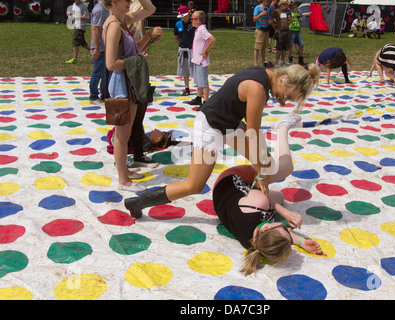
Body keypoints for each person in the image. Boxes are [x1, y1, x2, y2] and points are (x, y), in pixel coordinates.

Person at [124, 63, 321, 219]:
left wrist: (262, 168)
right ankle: (137, 203)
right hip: (210, 125)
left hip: (229, 123)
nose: (283, 101)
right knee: (194, 185)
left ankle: (254, 198)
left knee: (267, 165)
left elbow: (252, 134)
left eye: (288, 100)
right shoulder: (258, 88)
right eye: (286, 96)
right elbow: (253, 134)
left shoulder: (267, 73)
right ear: (284, 78)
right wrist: (261, 171)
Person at [213, 119, 326, 276]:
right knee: (280, 196)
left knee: (282, 166)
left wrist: (285, 213)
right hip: (230, 201)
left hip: (230, 180)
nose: (284, 225)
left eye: (280, 226)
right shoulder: (256, 244)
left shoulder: (259, 204)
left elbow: (259, 188)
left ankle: (280, 128)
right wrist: (301, 241)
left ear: (266, 228)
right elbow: (278, 237)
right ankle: (279, 128)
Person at [103, 0, 156, 192]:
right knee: (122, 136)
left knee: (125, 133)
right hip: (121, 85)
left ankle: (124, 170)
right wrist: (138, 60)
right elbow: (110, 63)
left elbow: (150, 9)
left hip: (127, 83)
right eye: (127, 0)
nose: (131, 2)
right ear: (115, 2)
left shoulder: (122, 19)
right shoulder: (115, 25)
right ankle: (123, 180)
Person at [127, 0, 162, 169]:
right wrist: (149, 35)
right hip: (132, 75)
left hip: (138, 72)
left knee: (138, 118)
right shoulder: (129, 23)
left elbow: (138, 48)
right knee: (134, 118)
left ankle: (138, 153)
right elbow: (133, 49)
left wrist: (151, 39)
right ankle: (136, 154)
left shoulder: (136, 23)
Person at [187, 11, 216, 106]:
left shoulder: (202, 30)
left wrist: (206, 50)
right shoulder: (198, 29)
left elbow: (212, 39)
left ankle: (206, 101)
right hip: (196, 60)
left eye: (193, 19)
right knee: (198, 80)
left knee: (203, 82)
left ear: (198, 21)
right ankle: (198, 97)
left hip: (201, 61)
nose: (191, 21)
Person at [89, 0, 111, 106]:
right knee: (98, 73)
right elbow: (95, 29)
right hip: (101, 47)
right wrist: (96, 48)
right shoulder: (100, 10)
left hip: (106, 47)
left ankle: (105, 95)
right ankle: (93, 96)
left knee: (107, 73)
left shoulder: (106, 9)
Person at [174, 5, 196, 96]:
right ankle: (187, 88)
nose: (184, 18)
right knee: (185, 70)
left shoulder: (193, 22)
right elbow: (176, 36)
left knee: (196, 69)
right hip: (183, 49)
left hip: (193, 50)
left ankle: (200, 88)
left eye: (185, 16)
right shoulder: (178, 24)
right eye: (182, 16)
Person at [287, 1, 310, 65]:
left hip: (297, 30)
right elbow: (286, 21)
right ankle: (290, 59)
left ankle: (300, 59)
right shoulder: (288, 12)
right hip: (291, 30)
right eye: (292, 6)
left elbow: (302, 17)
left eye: (294, 6)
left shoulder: (298, 11)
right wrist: (289, 20)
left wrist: (301, 19)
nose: (293, 7)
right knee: (290, 46)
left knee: (301, 44)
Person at [271, 0, 292, 66]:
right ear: (280, 5)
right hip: (280, 31)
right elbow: (272, 18)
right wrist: (274, 27)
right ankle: (277, 61)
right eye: (284, 4)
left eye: (286, 4)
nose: (285, 6)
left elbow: (291, 21)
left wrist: (289, 19)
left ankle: (283, 61)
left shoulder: (288, 11)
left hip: (286, 31)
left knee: (285, 48)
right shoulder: (276, 11)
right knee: (279, 47)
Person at [253, 0, 271, 66]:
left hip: (266, 29)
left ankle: (263, 62)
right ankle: (255, 62)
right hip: (260, 29)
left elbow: (267, 19)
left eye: (269, 1)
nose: (268, 2)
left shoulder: (268, 9)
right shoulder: (257, 8)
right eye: (267, 1)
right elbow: (254, 19)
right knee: (257, 47)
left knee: (263, 47)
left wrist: (270, 21)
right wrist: (261, 14)